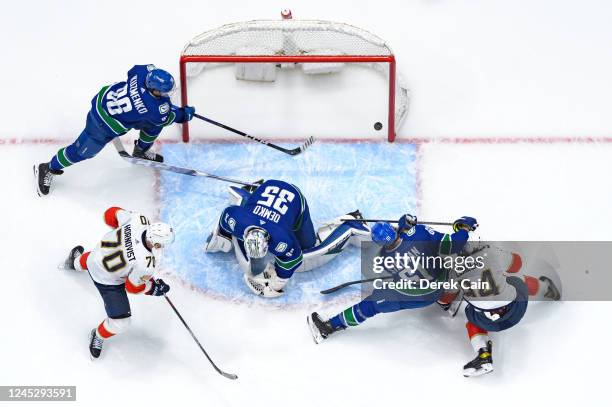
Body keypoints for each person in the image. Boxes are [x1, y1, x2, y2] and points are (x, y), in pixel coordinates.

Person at [306, 214, 478, 343]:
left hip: (419, 297)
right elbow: (450, 244)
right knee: (444, 258)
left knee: (371, 304)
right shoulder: (419, 232)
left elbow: (397, 259)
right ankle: (446, 300)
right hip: (441, 283)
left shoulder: (382, 259)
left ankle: (329, 327)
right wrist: (464, 229)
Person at [34, 64, 196, 196]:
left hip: (105, 99)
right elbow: (167, 117)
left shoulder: (143, 72)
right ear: (154, 90)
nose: (167, 94)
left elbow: (133, 71)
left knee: (153, 124)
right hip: (102, 124)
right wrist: (184, 114)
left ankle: (140, 151)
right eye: (164, 92)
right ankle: (48, 167)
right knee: (82, 152)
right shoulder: (154, 108)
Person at [205, 179, 371, 298]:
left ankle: (349, 224)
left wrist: (280, 279)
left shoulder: (281, 239)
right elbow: (225, 219)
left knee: (309, 246)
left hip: (295, 200)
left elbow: (296, 258)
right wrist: (223, 235)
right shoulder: (235, 217)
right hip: (266, 188)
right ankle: (247, 192)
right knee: (250, 209)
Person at [62, 206, 174, 359]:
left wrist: (124, 239)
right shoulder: (147, 264)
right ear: (156, 244)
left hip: (95, 257)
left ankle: (72, 263)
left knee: (93, 259)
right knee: (121, 323)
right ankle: (98, 336)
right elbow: (132, 287)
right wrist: (153, 287)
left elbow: (109, 215)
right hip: (108, 282)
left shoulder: (139, 220)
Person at [447, 244, 562, 377]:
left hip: (486, 322)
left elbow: (448, 296)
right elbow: (517, 264)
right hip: (515, 310)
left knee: (472, 314)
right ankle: (546, 288)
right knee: (513, 280)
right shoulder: (489, 253)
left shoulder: (453, 268)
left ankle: (483, 352)